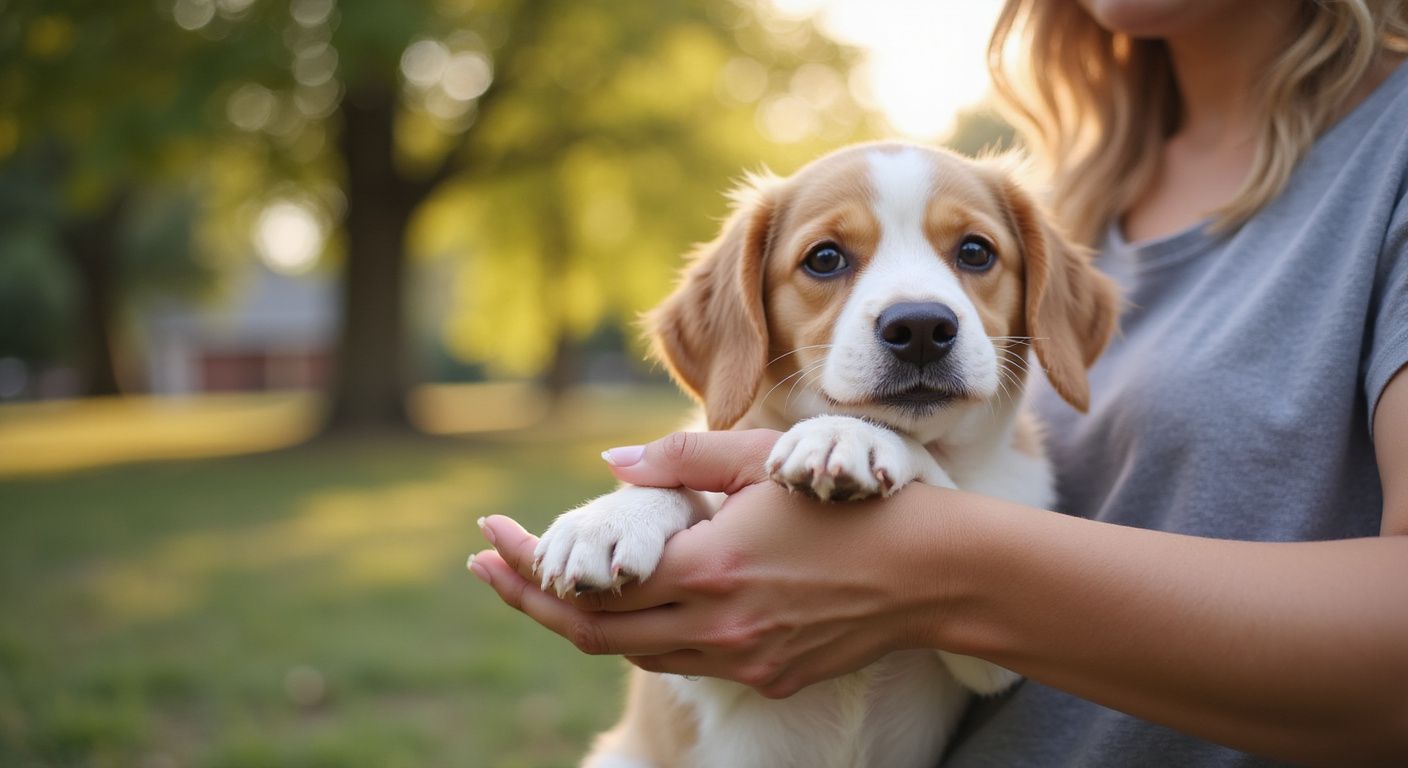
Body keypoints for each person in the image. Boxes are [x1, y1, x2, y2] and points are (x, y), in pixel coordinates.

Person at [469, 0, 1408, 763]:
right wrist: (655, 506)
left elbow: (981, 654)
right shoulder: (1079, 183)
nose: (919, 310)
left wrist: (925, 552)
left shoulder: (1382, 162)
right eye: (829, 259)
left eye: (970, 255)